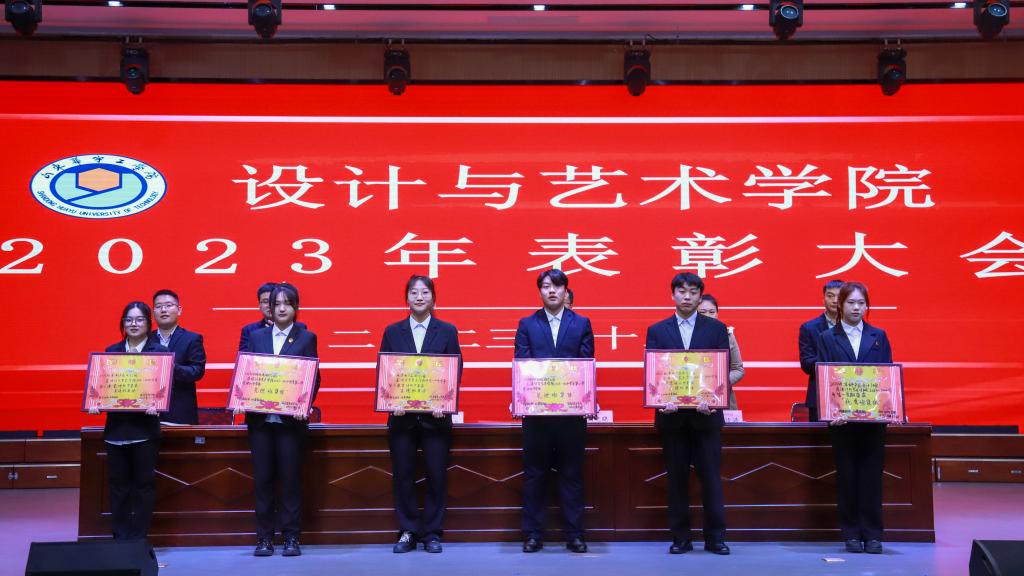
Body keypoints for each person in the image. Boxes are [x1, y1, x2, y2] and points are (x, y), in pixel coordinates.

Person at [646, 273, 730, 555]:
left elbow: (721, 370)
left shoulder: (717, 329)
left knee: (711, 479)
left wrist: (714, 400)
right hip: (672, 417)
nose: (687, 296)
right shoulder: (657, 330)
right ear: (672, 295)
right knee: (676, 480)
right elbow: (655, 373)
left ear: (700, 296)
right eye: (681, 291)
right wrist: (660, 401)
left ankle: (715, 538)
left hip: (706, 417)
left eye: (693, 292)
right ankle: (680, 538)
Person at [379, 275, 462, 554]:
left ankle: (433, 533)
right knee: (403, 476)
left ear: (433, 298)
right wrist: (391, 400)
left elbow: (455, 369)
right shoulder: (393, 331)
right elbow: (385, 370)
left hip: (435, 419)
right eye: (414, 292)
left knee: (436, 476)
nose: (419, 297)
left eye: (425, 292)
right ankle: (408, 531)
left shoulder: (447, 330)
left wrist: (445, 401)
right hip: (401, 418)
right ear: (406, 298)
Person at [514, 269, 594, 554]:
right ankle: (533, 535)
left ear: (565, 291)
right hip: (537, 416)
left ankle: (574, 534)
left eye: (557, 286)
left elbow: (586, 364)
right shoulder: (527, 324)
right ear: (540, 291)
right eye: (546, 286)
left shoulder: (581, 323)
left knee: (572, 475)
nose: (552, 291)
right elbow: (522, 364)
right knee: (534, 475)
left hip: (571, 416)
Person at [243, 283, 321, 557]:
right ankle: (264, 538)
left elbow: (313, 377)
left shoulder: (306, 337)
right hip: (260, 422)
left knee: (290, 481)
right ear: (270, 308)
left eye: (288, 303)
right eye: (277, 303)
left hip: (291, 423)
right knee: (263, 481)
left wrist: (304, 404)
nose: (282, 308)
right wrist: (243, 397)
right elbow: (248, 372)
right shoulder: (256, 337)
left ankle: (291, 537)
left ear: (296, 307)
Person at [815, 281, 892, 555]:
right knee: (846, 478)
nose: (856, 308)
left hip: (873, 421)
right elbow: (824, 377)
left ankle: (872, 535)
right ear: (840, 305)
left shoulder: (879, 335)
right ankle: (850, 534)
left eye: (861, 303)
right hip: (842, 422)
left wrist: (889, 408)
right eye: (851, 302)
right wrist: (830, 413)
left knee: (872, 478)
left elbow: (887, 376)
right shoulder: (827, 337)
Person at [97, 302, 168, 539]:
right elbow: (103, 386)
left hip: (145, 431)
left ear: (148, 323)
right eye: (128, 320)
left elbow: (164, 388)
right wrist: (96, 401)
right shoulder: (111, 351)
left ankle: (139, 539)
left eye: (139, 320)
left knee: (144, 485)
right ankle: (120, 537)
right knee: (118, 486)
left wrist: (158, 404)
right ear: (123, 324)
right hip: (116, 430)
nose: (133, 324)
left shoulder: (159, 353)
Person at [151, 289, 207, 425]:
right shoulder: (146, 339)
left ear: (179, 310)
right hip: (148, 414)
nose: (163, 310)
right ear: (153, 312)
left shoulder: (192, 338)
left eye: (168, 305)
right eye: (158, 306)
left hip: (180, 414)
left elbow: (197, 371)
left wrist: (170, 367)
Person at [799, 279, 844, 421]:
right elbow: (806, 364)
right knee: (820, 435)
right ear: (823, 299)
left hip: (852, 393)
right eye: (830, 296)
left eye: (839, 296)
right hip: (820, 395)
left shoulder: (857, 327)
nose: (835, 300)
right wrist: (834, 358)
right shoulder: (809, 328)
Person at [697, 294, 744, 410]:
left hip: (722, 399)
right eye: (702, 312)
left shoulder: (728, 336)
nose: (708, 316)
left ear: (717, 313)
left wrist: (718, 383)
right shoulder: (684, 336)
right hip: (691, 400)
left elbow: (738, 369)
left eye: (712, 312)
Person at [239, 282, 306, 351]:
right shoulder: (249, 331)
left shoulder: (300, 328)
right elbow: (244, 356)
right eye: (265, 301)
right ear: (259, 305)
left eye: (275, 302)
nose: (269, 305)